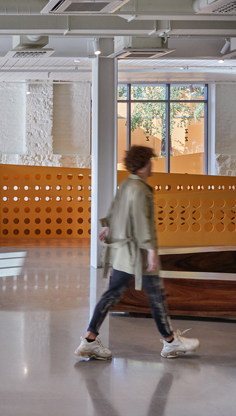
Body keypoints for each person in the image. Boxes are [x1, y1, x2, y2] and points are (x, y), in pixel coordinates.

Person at [74, 145, 200, 360]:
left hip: (122, 254)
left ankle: (89, 340)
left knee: (112, 294)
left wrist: (108, 227)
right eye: (150, 161)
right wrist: (151, 249)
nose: (152, 164)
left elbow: (115, 209)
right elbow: (142, 222)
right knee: (156, 296)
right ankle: (170, 342)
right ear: (143, 164)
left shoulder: (126, 184)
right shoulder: (141, 189)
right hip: (138, 256)